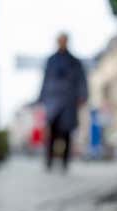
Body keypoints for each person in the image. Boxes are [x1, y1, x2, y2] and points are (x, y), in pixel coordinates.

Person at [37, 32, 88, 171]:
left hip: (69, 100)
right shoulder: (51, 60)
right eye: (60, 40)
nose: (62, 43)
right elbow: (45, 80)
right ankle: (49, 161)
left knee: (66, 132)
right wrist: (41, 98)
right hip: (53, 100)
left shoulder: (75, 61)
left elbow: (82, 80)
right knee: (52, 132)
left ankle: (65, 162)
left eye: (64, 40)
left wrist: (83, 96)